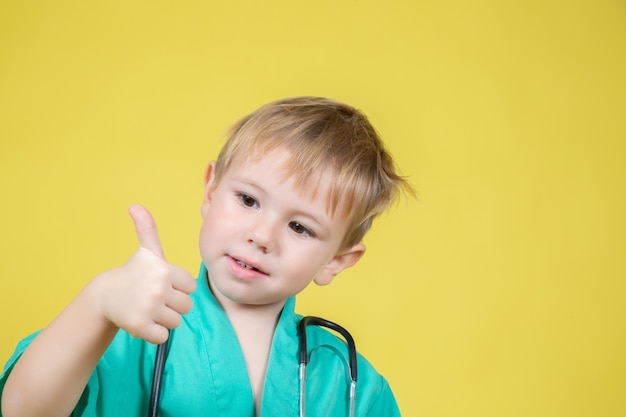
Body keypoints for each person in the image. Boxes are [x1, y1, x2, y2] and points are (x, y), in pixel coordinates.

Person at [0, 96, 412, 417]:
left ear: (336, 260)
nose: (262, 236)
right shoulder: (133, 334)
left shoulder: (349, 382)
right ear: (211, 191)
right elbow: (20, 409)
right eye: (248, 200)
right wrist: (97, 302)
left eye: (300, 227)